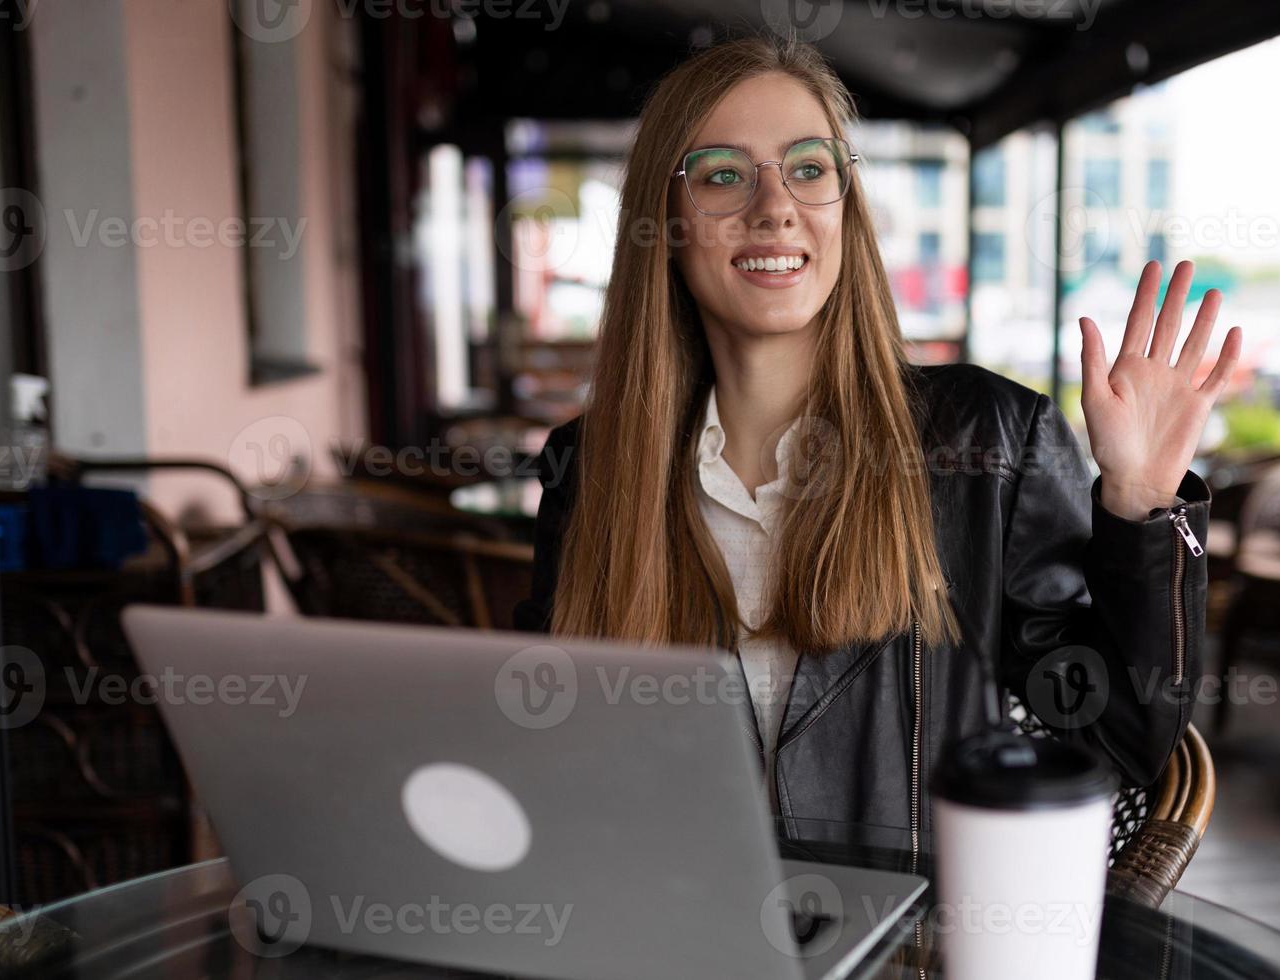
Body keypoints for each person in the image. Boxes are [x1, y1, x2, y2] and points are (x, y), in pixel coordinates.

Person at [513, 36, 1241, 840]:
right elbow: (554, 747)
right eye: (722, 174)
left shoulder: (988, 442)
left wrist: (1139, 505)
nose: (774, 206)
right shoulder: (590, 466)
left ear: (844, 208)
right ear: (668, 223)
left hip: (905, 952)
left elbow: (1119, 741)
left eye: (809, 168)